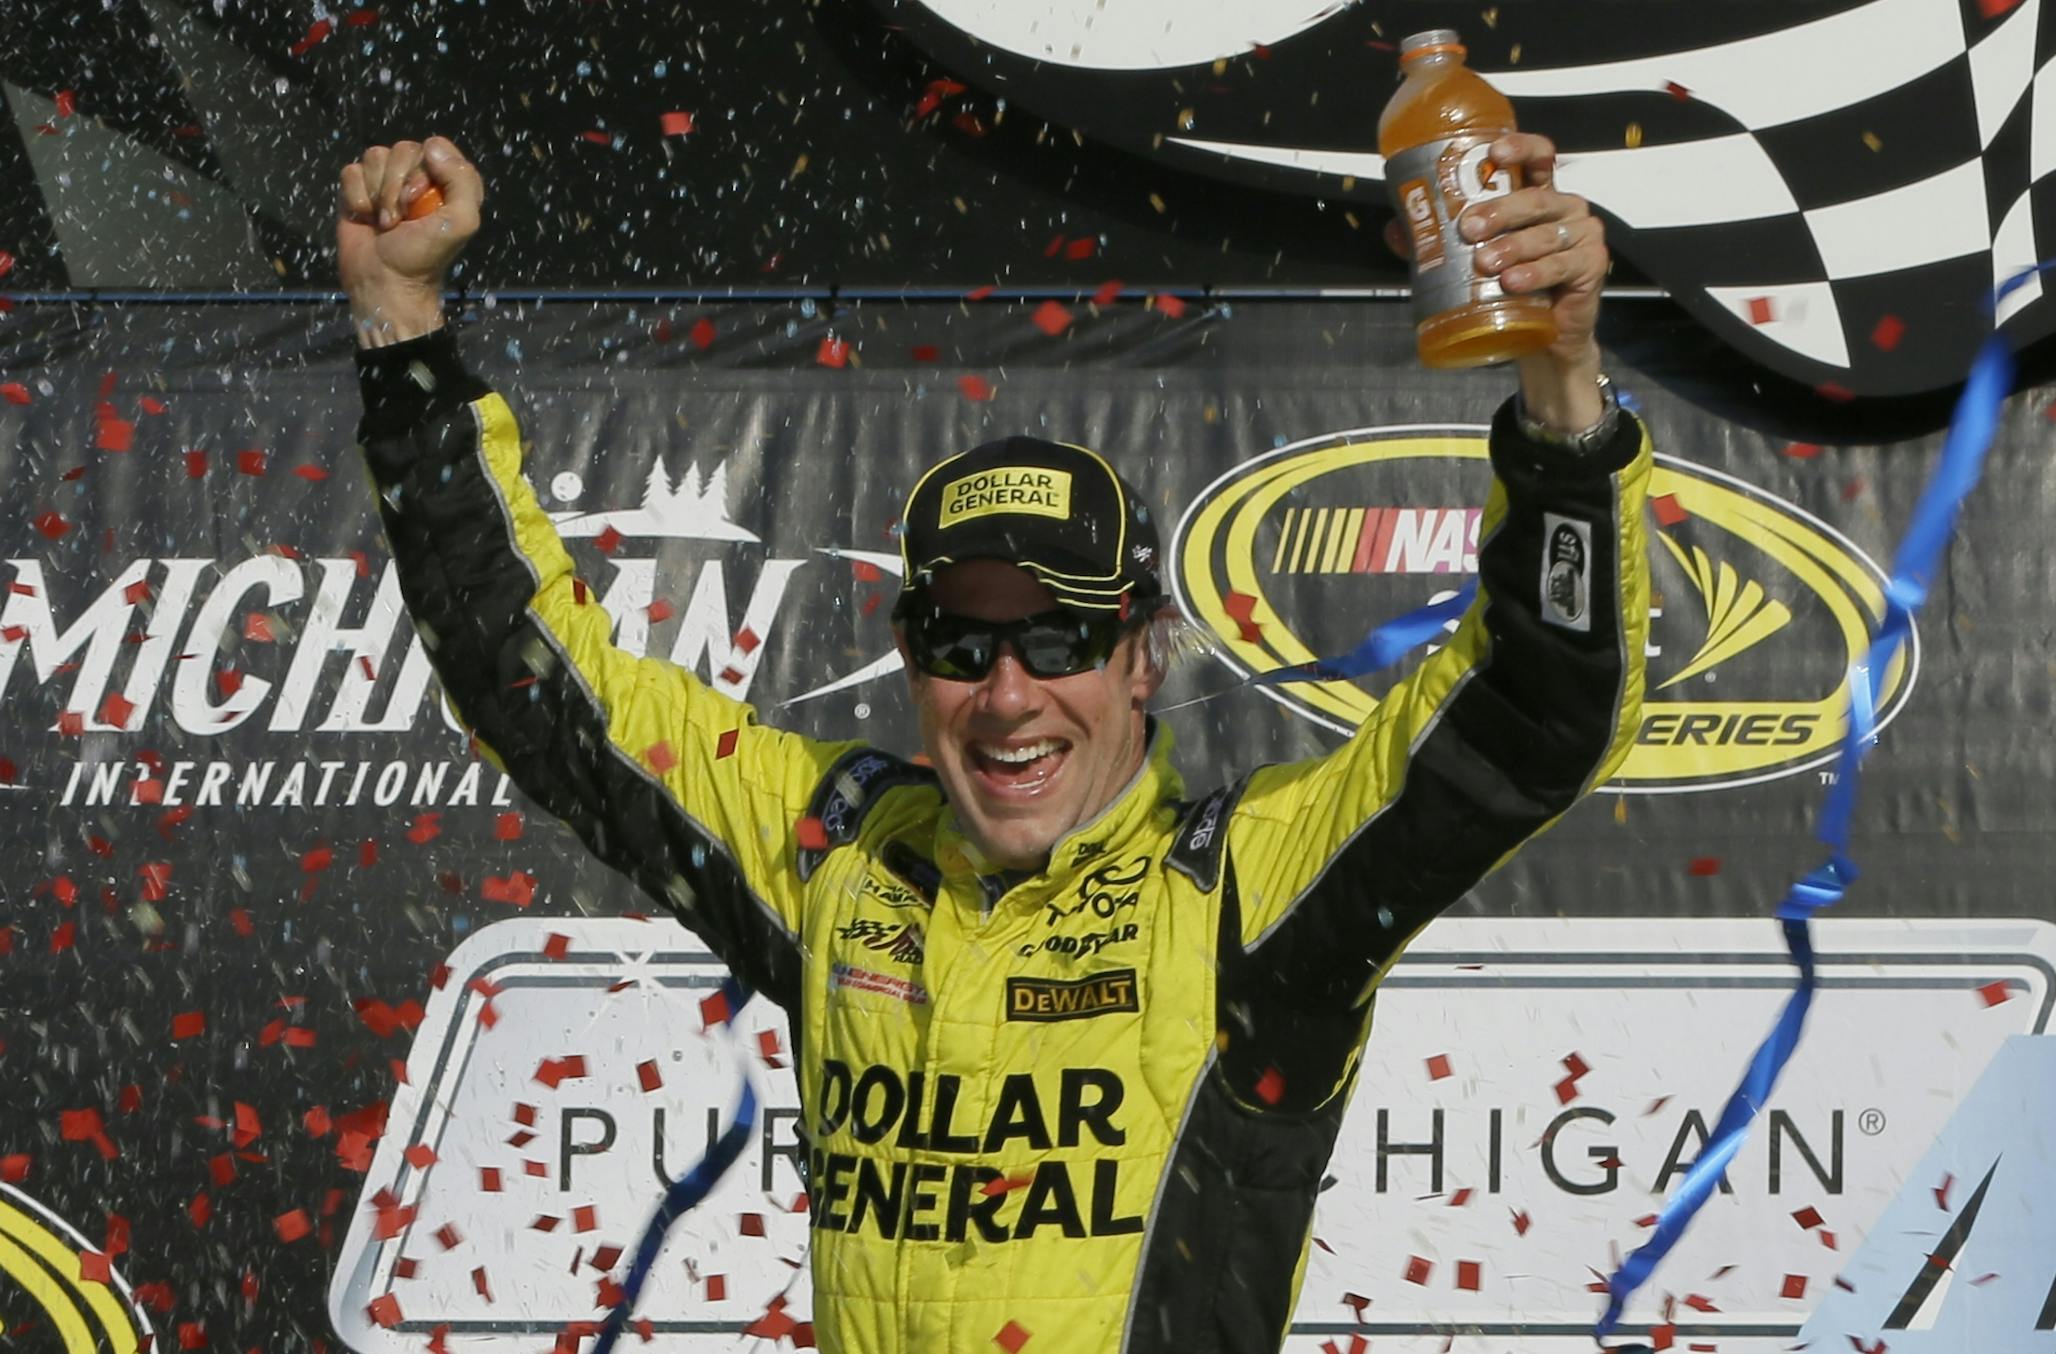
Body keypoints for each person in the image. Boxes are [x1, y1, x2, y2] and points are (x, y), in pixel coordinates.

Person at [340, 133, 1651, 1353]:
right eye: (965, 643)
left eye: (1060, 640)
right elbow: (535, 685)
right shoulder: (834, 849)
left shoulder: (1248, 883)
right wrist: (402, 328)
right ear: (913, 660)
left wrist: (1562, 389)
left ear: (1139, 658)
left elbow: (1535, 715)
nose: (1010, 693)